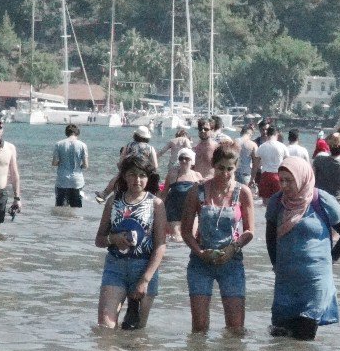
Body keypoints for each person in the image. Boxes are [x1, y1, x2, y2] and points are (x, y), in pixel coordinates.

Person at [265, 157, 340, 340]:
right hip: (286, 282)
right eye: (281, 180)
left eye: (289, 180)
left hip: (315, 280)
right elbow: (270, 238)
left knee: (304, 338)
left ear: (302, 177)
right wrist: (276, 264)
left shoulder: (321, 200)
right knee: (280, 337)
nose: (284, 185)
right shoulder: (277, 202)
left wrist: (330, 260)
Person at [181, 143, 255, 333]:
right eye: (221, 168)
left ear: (236, 167)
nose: (225, 173)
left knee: (236, 327)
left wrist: (233, 248)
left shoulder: (243, 192)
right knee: (199, 327)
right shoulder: (197, 191)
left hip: (232, 262)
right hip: (200, 262)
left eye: (230, 169)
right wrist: (200, 252)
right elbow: (186, 231)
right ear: (213, 165)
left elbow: (249, 231)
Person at [94, 157, 166, 329]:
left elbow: (160, 245)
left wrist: (145, 280)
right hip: (115, 267)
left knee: (135, 331)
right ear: (124, 176)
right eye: (132, 174)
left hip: (144, 267)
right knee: (105, 326)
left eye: (142, 175)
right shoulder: (113, 201)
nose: (137, 180)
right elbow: (99, 240)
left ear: (148, 178)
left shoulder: (156, 204)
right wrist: (114, 239)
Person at [96, 126, 158, 203]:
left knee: (117, 177)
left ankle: (104, 194)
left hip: (129, 169)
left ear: (135, 135)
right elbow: (155, 166)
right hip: (143, 170)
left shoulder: (128, 145)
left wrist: (121, 170)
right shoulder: (150, 148)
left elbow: (121, 161)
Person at [162, 148, 202, 241]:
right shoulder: (172, 175)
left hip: (191, 211)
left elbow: (201, 196)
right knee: (177, 238)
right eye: (181, 158)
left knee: (191, 238)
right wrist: (160, 211)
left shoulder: (197, 176)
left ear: (192, 161)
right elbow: (164, 194)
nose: (183, 161)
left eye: (186, 159)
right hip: (173, 211)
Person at [313, 132, 340, 214]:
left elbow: (312, 181)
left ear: (329, 147)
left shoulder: (318, 160)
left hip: (320, 201)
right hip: (338, 204)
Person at [52, 123, 89, 208]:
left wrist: (62, 162)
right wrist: (79, 166)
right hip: (77, 181)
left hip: (62, 180)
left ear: (66, 133)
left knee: (60, 208)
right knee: (76, 208)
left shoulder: (58, 144)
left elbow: (54, 163)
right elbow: (86, 165)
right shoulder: (83, 145)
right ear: (77, 133)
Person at [254, 125, 288, 204]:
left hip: (265, 175)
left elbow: (256, 165)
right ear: (276, 134)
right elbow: (287, 163)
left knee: (265, 203)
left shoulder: (262, 147)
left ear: (267, 134)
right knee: (279, 202)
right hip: (278, 175)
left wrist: (252, 178)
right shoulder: (282, 146)